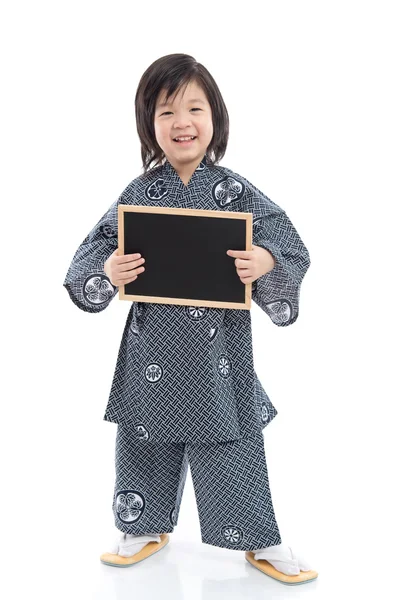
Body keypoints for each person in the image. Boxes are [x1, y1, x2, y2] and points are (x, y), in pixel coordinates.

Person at [63, 53, 318, 585]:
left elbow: (289, 244)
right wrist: (109, 270)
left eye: (194, 108)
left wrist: (265, 261)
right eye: (166, 111)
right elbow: (90, 257)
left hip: (217, 354)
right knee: (144, 436)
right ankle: (142, 523)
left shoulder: (236, 191)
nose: (182, 123)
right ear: (148, 125)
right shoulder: (138, 194)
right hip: (152, 350)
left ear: (215, 119)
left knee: (232, 439)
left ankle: (257, 537)